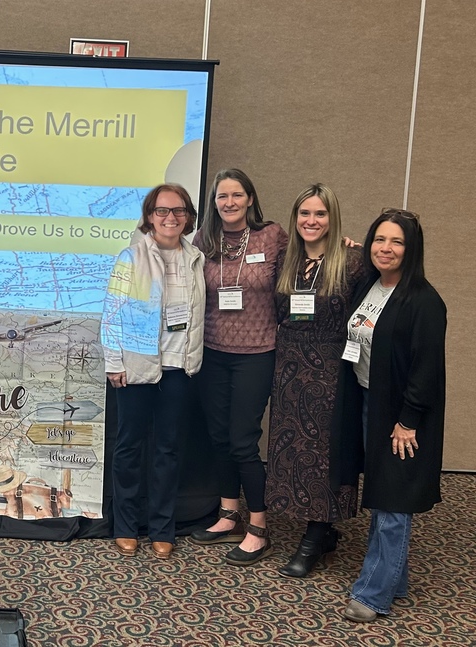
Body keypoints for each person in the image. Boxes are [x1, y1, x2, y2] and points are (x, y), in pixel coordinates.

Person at [334, 209, 446, 622]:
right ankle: (394, 579)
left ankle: (373, 594)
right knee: (383, 495)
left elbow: (426, 370)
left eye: (397, 242)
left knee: (392, 501)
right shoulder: (371, 285)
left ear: (412, 248)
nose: (386, 248)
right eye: (380, 239)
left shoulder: (425, 301)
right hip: (369, 401)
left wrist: (408, 420)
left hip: (401, 418)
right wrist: (358, 249)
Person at [188, 168, 288, 566]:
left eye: (236, 195)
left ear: (250, 198)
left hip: (258, 352)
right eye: (221, 196)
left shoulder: (272, 236)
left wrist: (346, 246)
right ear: (214, 203)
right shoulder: (204, 240)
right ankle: (229, 513)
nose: (228, 203)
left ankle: (259, 528)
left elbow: (306, 265)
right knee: (219, 436)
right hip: (212, 351)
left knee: (243, 440)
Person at [265, 184, 366, 577]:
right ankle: (318, 532)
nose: (312, 221)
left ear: (332, 218)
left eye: (320, 214)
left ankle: (316, 533)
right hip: (289, 365)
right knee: (293, 450)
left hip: (331, 367)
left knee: (324, 451)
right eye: (305, 214)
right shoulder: (284, 261)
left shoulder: (353, 261)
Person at [102, 184, 205, 559]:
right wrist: (114, 362)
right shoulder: (130, 258)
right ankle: (126, 526)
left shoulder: (196, 259)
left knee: (168, 450)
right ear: (149, 217)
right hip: (136, 367)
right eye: (162, 211)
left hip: (180, 367)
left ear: (188, 217)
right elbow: (112, 313)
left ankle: (163, 527)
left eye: (178, 211)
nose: (170, 218)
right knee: (129, 448)